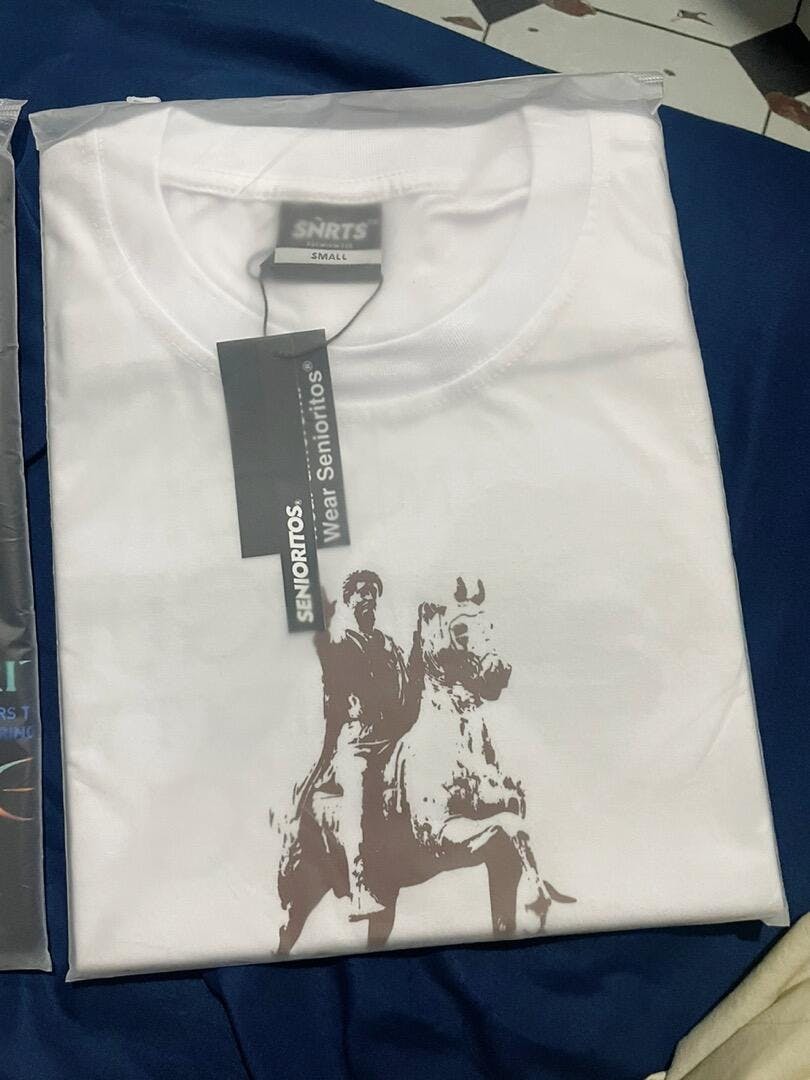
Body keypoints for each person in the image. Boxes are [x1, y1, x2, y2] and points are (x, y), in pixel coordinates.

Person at [309, 570, 419, 920]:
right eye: (361, 592)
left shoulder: (389, 645)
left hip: (392, 738)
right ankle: (358, 888)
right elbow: (324, 653)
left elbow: (407, 690)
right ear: (348, 600)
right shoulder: (340, 641)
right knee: (356, 799)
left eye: (373, 591)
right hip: (356, 741)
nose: (369, 597)